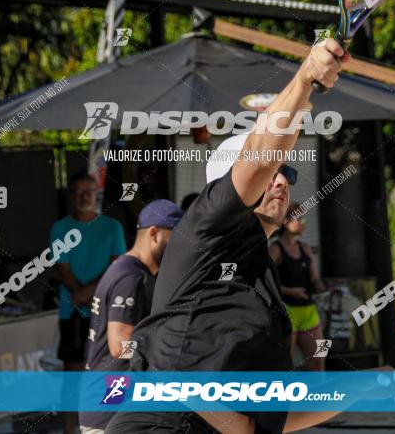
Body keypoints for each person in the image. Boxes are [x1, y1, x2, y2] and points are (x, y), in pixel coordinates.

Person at [106, 37, 369, 433]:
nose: (281, 181)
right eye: (272, 174)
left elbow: (268, 421)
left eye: (287, 175)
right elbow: (262, 155)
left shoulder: (258, 276)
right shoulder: (206, 226)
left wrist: (362, 389)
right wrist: (305, 78)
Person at [79, 199, 185, 434]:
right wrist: (163, 350)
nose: (180, 248)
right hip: (109, 407)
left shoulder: (135, 272)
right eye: (175, 239)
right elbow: (119, 346)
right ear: (155, 234)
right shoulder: (131, 277)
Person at [52, 173, 126, 434]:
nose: (84, 196)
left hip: (105, 312)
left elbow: (118, 264)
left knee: (108, 370)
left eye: (88, 190)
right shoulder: (60, 228)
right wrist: (79, 293)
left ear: (97, 194)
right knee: (73, 375)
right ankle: (71, 429)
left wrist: (88, 292)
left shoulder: (112, 227)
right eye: (78, 191)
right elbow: (61, 267)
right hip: (71, 311)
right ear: (71, 195)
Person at [269, 206, 326, 371]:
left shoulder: (305, 248)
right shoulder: (275, 249)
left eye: (304, 219)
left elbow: (314, 279)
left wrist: (325, 291)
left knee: (318, 363)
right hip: (287, 311)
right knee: (286, 365)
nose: (304, 223)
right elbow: (267, 284)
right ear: (286, 222)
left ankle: (320, 395)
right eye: (299, 219)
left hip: (308, 311)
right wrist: (291, 291)